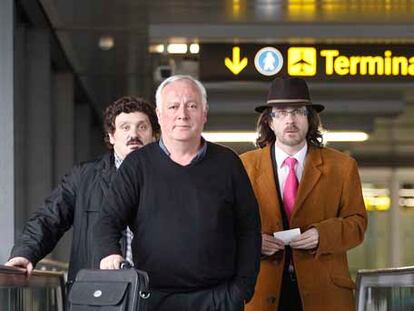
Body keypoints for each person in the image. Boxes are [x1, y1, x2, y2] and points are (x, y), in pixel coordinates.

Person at [94, 75, 261, 311]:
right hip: (152, 298)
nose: (182, 114)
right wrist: (109, 254)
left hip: (218, 299)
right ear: (160, 116)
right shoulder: (137, 165)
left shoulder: (228, 163)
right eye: (173, 107)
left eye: (192, 106)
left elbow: (249, 229)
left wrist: (241, 289)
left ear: (204, 114)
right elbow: (107, 221)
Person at [240, 77, 368, 311]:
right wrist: (253, 242)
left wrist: (323, 235)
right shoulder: (244, 167)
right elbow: (226, 226)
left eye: (298, 111)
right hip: (261, 291)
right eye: (281, 112)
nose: (290, 119)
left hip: (325, 294)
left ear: (310, 118)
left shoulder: (342, 166)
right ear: (269, 121)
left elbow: (357, 224)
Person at [5, 96, 159, 288]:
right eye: (125, 127)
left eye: (142, 127)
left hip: (155, 292)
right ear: (111, 136)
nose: (133, 135)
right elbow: (49, 218)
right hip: (99, 294)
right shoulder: (84, 177)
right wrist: (25, 253)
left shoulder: (168, 179)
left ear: (153, 136)